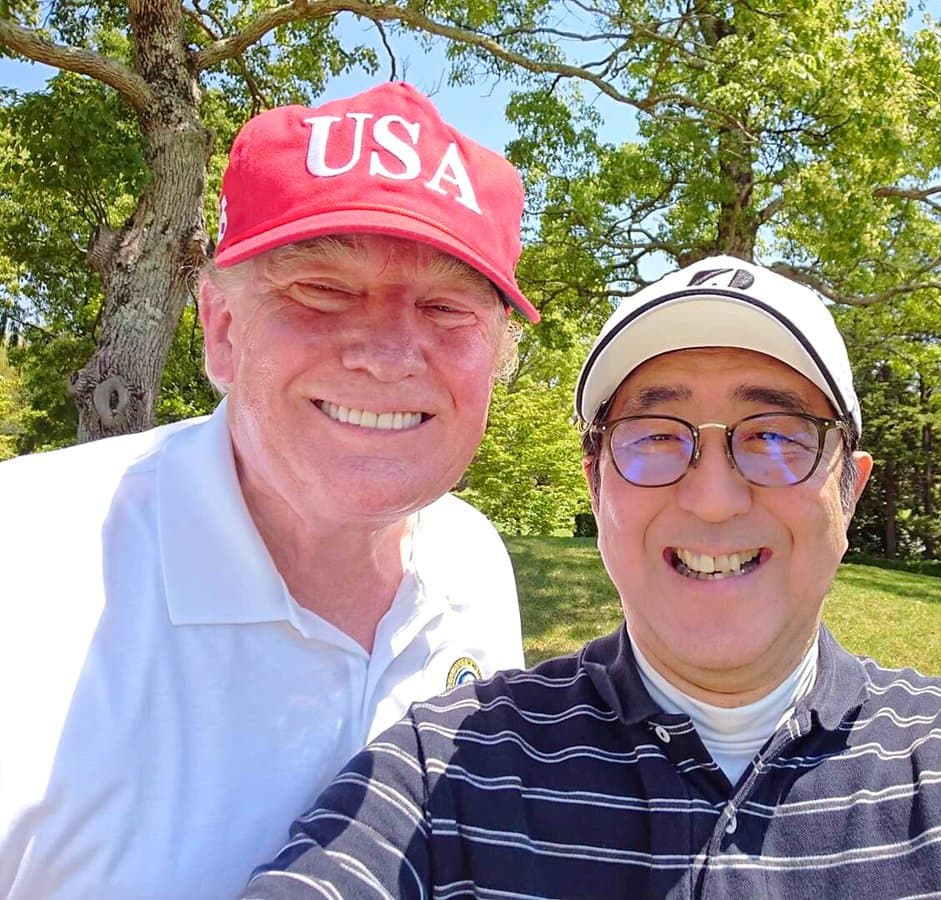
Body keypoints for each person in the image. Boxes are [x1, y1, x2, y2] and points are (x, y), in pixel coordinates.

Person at [242, 256, 941, 899]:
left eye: (776, 436)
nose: (711, 498)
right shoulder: (445, 772)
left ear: (847, 493)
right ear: (597, 488)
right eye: (655, 438)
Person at [0, 82, 541, 898]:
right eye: (323, 291)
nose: (391, 354)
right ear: (220, 328)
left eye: (445, 307)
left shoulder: (473, 562)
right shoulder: (25, 560)